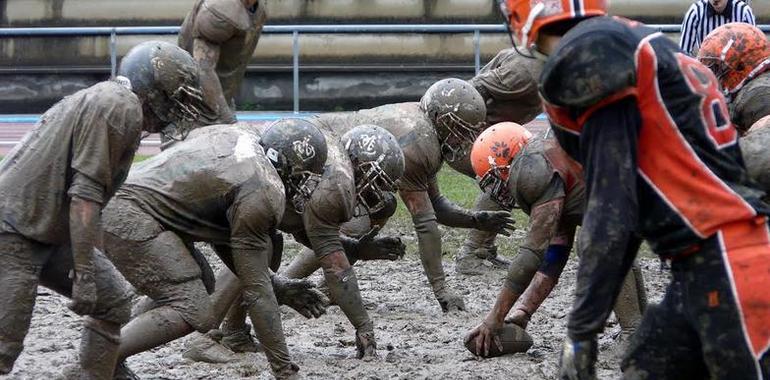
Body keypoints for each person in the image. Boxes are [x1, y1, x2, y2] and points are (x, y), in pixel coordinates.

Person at [505, 0, 770, 378]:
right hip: (706, 265)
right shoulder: (630, 39)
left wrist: (581, 330)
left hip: (730, 265)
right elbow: (628, 202)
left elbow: (612, 203)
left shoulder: (588, 53)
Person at [0, 40, 209, 379]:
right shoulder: (119, 106)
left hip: (44, 229)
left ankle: (93, 373)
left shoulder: (114, 102)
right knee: (4, 345)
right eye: (176, 96)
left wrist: (94, 267)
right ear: (155, 90)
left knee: (112, 299)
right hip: (15, 230)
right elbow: (85, 196)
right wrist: (84, 274)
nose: (177, 109)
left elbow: (89, 202)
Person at [102, 119, 331, 379]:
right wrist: (284, 370)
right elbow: (257, 293)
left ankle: (111, 352)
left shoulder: (242, 145)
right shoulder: (264, 191)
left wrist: (277, 285)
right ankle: (102, 357)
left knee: (203, 282)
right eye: (306, 178)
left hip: (123, 201)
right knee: (194, 309)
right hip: (131, 216)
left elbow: (228, 244)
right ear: (291, 167)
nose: (306, 188)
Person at [276, 78, 515, 315]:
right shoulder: (419, 141)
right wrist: (442, 290)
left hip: (328, 147)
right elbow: (425, 223)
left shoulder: (425, 129)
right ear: (441, 118)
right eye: (460, 130)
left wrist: (476, 220)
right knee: (351, 224)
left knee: (382, 206)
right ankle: (284, 285)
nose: (462, 140)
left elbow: (437, 206)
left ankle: (326, 288)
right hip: (317, 151)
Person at [184, 122, 407, 362]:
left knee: (269, 247)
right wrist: (364, 325)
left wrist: (356, 249)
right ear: (364, 167)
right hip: (218, 194)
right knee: (258, 249)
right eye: (378, 183)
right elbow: (334, 263)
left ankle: (233, 333)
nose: (379, 194)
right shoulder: (336, 184)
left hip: (227, 185)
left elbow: (305, 231)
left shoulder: (333, 163)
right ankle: (203, 337)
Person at [463, 122, 645, 357]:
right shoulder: (551, 165)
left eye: (494, 179)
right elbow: (553, 256)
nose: (497, 189)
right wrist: (523, 312)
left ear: (505, 163)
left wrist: (493, 319)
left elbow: (531, 256)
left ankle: (633, 334)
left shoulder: (532, 170)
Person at [455, 48, 546, 274]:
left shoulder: (548, 67)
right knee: (504, 177)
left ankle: (483, 250)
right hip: (463, 135)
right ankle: (470, 254)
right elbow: (468, 92)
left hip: (490, 135)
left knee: (510, 174)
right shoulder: (526, 70)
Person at [178, 0, 267, 126]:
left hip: (221, 97)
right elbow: (203, 69)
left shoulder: (257, 8)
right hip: (197, 109)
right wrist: (225, 116)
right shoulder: (218, 10)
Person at [697, 23, 770, 134]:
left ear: (740, 65)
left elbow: (761, 146)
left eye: (716, 67)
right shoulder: (757, 87)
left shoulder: (758, 97)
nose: (713, 74)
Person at [679, 0, 755, 56]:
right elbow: (683, 53)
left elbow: (753, 52)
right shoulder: (696, 11)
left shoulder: (743, 11)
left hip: (737, 69)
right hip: (706, 68)